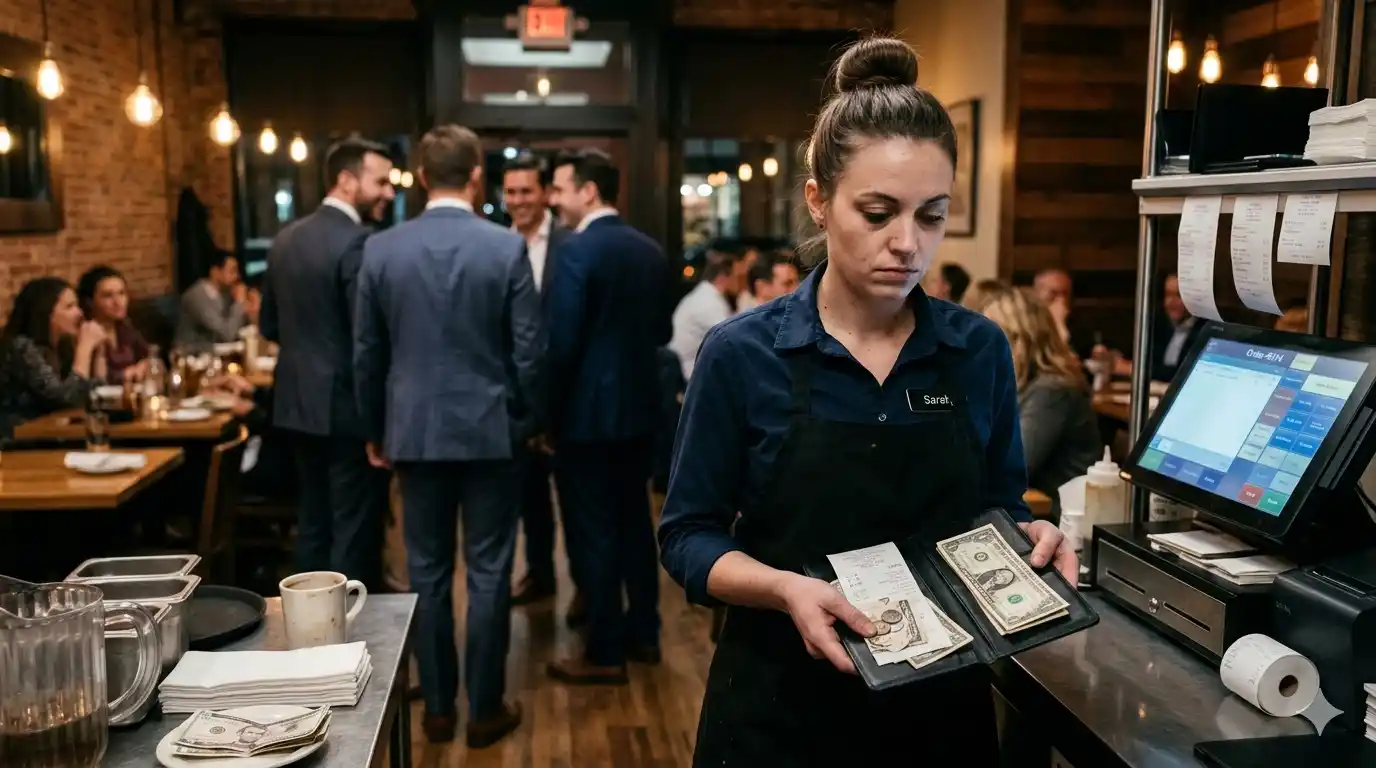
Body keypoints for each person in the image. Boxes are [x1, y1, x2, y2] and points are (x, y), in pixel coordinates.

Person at [655, 38, 1075, 765]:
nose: (907, 244)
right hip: (780, 710)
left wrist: (1030, 537)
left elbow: (998, 505)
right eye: (877, 213)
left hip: (940, 714)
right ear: (818, 202)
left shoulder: (976, 350)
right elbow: (688, 537)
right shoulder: (743, 353)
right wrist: (785, 589)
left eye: (931, 215)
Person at [354, 124, 540, 748]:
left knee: (427, 574)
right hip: (490, 431)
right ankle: (484, 710)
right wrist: (526, 423)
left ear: (422, 177)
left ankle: (436, 708)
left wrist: (375, 429)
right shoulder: (505, 247)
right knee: (489, 572)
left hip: (414, 431)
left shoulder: (382, 249)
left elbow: (366, 354)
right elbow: (530, 352)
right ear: (477, 175)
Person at [544, 147, 670, 683]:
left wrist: (547, 417)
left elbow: (562, 344)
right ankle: (645, 635)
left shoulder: (575, 250)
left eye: (559, 189)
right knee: (635, 524)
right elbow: (662, 333)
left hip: (586, 417)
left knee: (593, 532)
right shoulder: (650, 250)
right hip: (640, 411)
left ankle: (604, 651)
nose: (554, 199)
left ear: (588, 191)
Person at [260, 136, 395, 590]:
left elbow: (269, 325)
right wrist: (378, 421)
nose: (388, 193)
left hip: (295, 406)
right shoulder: (358, 242)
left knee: (313, 523)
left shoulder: (285, 238)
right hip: (345, 408)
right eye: (381, 182)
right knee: (354, 530)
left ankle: (307, 623)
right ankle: (352, 627)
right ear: (346, 180)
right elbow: (366, 340)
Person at [501, 152, 575, 606]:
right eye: (510, 192)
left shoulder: (570, 243)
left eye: (526, 190)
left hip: (567, 392)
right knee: (529, 497)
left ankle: (585, 589)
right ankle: (539, 573)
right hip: (516, 396)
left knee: (574, 499)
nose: (518, 200)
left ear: (545, 193)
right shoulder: (495, 244)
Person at [971, 284, 1101, 519]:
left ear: (1023, 339)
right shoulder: (1018, 382)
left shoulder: (1053, 390)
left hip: (1058, 521)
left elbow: (1009, 466)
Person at [0, 277, 107, 440]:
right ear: (45, 313)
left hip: (51, 435)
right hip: (17, 440)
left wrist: (98, 352)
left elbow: (95, 394)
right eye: (69, 307)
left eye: (77, 305)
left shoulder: (63, 346)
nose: (79, 313)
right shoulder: (22, 347)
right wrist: (84, 349)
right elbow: (65, 400)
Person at [669, 246, 746, 380]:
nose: (743, 284)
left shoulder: (708, 296)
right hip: (687, 377)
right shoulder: (707, 302)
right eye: (739, 277)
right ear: (723, 277)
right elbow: (735, 341)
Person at [76, 265, 149, 384]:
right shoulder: (86, 333)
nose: (118, 302)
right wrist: (125, 375)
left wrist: (143, 366)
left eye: (121, 293)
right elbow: (95, 380)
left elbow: (149, 356)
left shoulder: (124, 327)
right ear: (90, 301)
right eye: (108, 296)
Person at [175, 249, 250, 348]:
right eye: (232, 271)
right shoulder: (198, 297)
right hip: (193, 353)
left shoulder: (225, 294)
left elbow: (236, 326)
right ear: (215, 272)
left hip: (218, 350)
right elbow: (226, 334)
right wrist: (239, 302)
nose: (237, 276)